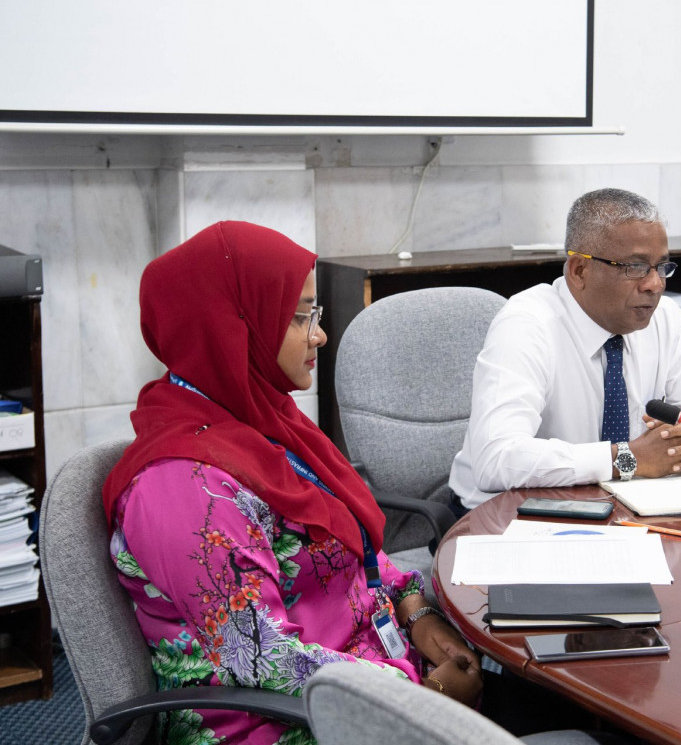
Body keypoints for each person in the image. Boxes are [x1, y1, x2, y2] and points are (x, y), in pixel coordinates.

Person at [103, 221, 482, 744]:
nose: (320, 334)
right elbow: (260, 659)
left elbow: (350, 543)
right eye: (300, 316)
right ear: (233, 325)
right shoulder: (186, 486)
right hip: (281, 723)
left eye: (315, 313)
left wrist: (414, 609)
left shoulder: (265, 424)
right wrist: (421, 695)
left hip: (363, 678)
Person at [448, 188, 681, 510]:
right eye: (635, 267)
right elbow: (496, 459)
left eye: (662, 267)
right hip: (509, 511)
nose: (655, 284)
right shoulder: (527, 325)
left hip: (624, 503)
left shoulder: (664, 317)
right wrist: (627, 458)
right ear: (580, 270)